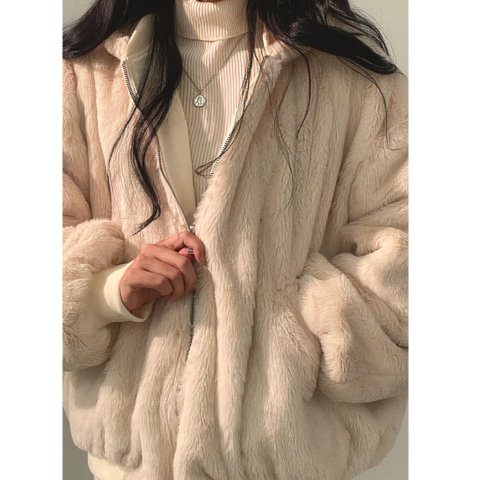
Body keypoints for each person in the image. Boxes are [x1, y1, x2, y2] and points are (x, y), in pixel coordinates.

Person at [62, 0, 408, 479]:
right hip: (131, 465)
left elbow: (410, 251)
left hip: (287, 461)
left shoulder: (350, 72)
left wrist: (300, 336)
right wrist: (108, 291)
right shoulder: (83, 72)